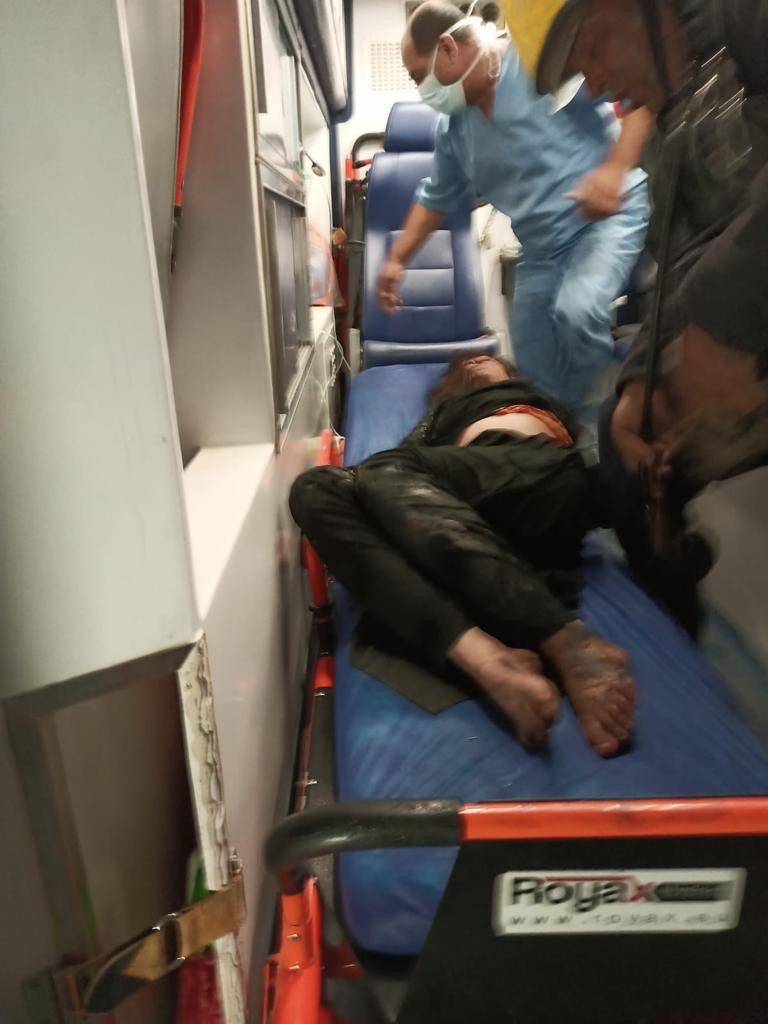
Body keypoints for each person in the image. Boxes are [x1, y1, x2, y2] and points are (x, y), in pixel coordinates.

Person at [501, 0, 768, 633]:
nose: (594, 85)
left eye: (591, 47)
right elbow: (681, 260)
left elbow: (715, 281)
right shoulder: (677, 112)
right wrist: (637, 378)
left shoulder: (745, 19)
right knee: (625, 447)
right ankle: (678, 645)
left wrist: (723, 321)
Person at [290, 354, 635, 758]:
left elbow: (388, 473)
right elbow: (388, 488)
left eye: (487, 357)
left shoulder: (529, 398)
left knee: (382, 472)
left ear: (510, 373)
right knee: (313, 489)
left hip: (535, 474)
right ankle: (486, 658)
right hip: (462, 526)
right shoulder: (442, 415)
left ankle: (566, 639)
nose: (478, 361)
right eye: (468, 362)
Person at [377, 1, 652, 415]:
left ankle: (601, 432)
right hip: (541, 251)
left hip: (603, 222)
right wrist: (397, 260)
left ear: (449, 48)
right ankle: (551, 440)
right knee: (533, 360)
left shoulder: (539, 63)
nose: (422, 91)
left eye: (420, 76)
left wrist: (615, 170)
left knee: (577, 312)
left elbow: (642, 95)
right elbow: (436, 199)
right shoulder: (454, 130)